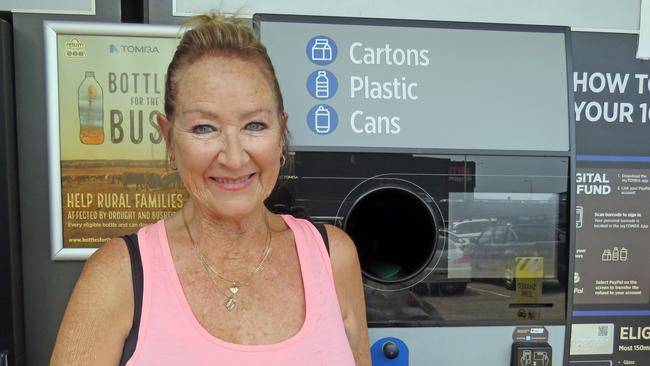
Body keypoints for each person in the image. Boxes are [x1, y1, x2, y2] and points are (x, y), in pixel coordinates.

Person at [51, 13, 370, 365]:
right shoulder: (117, 275)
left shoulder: (333, 257)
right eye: (204, 128)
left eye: (254, 124)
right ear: (168, 137)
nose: (234, 158)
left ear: (281, 133)